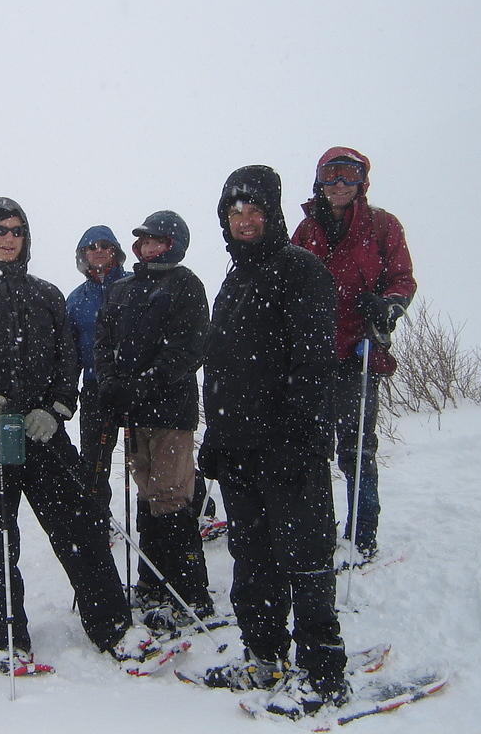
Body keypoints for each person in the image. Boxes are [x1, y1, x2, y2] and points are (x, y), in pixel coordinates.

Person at [0, 197, 171, 674]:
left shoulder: (45, 294)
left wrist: (57, 408)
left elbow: (68, 361)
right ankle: (6, 641)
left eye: (17, 230)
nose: (8, 237)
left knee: (81, 527)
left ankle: (115, 631)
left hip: (43, 434)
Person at [195, 165, 347, 718]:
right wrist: (217, 436)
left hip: (289, 450)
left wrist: (302, 438)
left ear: (273, 213)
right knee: (251, 557)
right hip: (239, 449)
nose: (244, 220)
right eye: (234, 212)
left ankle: (324, 674)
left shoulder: (301, 272)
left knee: (305, 556)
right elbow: (224, 369)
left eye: (254, 210)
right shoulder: (233, 280)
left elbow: (313, 365)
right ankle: (263, 654)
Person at [292, 147, 416, 563]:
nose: (339, 184)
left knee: (357, 448)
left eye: (348, 175)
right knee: (312, 448)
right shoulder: (307, 229)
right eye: (332, 175)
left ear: (363, 182)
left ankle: (362, 533)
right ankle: (320, 529)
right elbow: (286, 279)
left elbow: (402, 278)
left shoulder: (382, 226)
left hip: (358, 352)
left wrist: (387, 306)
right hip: (313, 355)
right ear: (319, 181)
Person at [94, 211, 215, 633]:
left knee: (170, 496)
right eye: (144, 241)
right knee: (147, 494)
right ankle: (152, 581)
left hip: (170, 413)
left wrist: (144, 384)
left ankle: (190, 592)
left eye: (157, 241)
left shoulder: (186, 285)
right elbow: (104, 341)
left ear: (174, 244)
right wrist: (110, 383)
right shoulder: (123, 288)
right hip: (133, 413)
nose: (148, 248)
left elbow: (189, 348)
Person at [65, 226, 127, 514]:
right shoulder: (76, 300)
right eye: (91, 247)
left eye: (104, 244)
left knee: (157, 453)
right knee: (93, 459)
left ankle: (187, 513)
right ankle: (97, 517)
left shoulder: (135, 284)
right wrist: (65, 393)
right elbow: (70, 355)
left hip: (137, 384)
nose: (98, 250)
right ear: (83, 255)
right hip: (95, 388)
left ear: (115, 249)